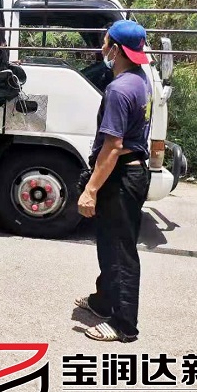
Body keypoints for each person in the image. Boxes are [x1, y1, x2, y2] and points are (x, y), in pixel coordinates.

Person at [74, 19, 152, 343]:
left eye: (105, 42)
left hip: (121, 175)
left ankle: (123, 325)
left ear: (116, 49)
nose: (102, 48)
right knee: (109, 243)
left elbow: (113, 146)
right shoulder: (140, 79)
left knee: (120, 251)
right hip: (130, 172)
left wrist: (90, 190)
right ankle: (103, 301)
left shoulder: (119, 90)